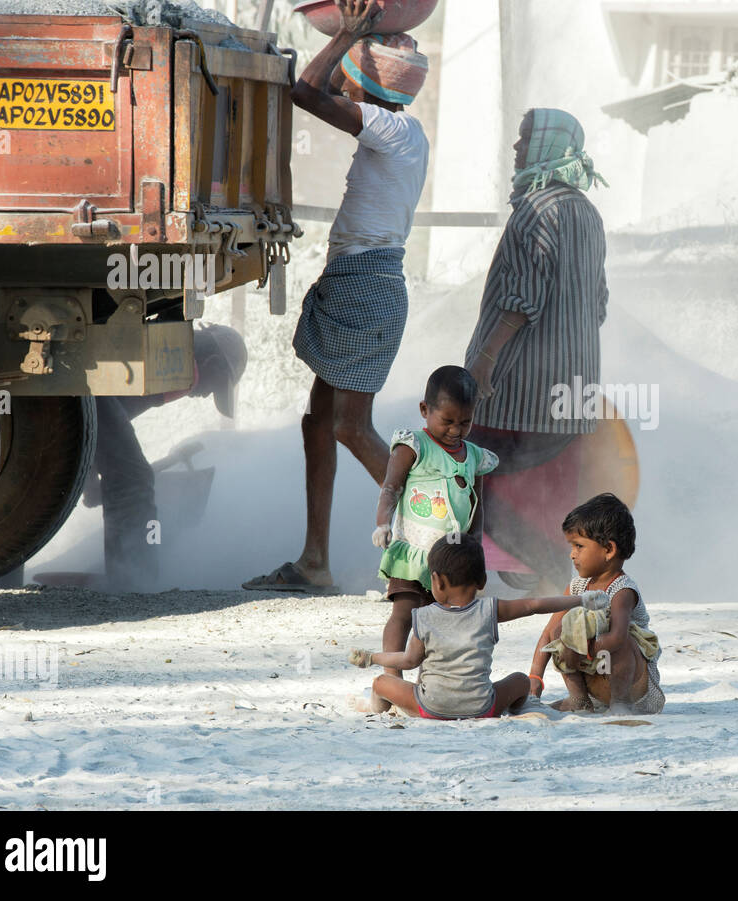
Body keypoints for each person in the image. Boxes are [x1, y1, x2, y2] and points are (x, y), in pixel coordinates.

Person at [245, 0, 429, 594]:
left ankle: (444, 534)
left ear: (370, 80)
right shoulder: (396, 130)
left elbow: (304, 89)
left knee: (350, 426)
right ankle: (315, 563)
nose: (343, 72)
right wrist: (354, 38)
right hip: (358, 282)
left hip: (367, 287)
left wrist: (347, 31)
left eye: (355, 65)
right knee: (317, 424)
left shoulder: (391, 128)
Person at [464, 108, 610, 596]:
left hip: (522, 392)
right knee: (548, 488)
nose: (516, 147)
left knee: (468, 471)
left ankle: (548, 574)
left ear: (547, 147)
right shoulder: (588, 212)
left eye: (525, 138)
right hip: (575, 392)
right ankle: (544, 573)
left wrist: (483, 361)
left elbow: (520, 302)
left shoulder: (534, 209)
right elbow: (599, 303)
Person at [348, 532, 609, 718]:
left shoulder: (424, 616)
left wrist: (372, 657)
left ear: (436, 582)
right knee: (519, 680)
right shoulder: (490, 610)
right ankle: (524, 708)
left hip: (430, 708)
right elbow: (534, 605)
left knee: (381, 682)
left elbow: (408, 660)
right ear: (482, 581)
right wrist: (581, 600)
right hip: (484, 707)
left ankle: (379, 711)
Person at [91, 323, 247, 591]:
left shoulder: (163, 350)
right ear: (209, 363)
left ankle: (129, 575)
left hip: (87, 395)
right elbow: (103, 413)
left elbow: (106, 416)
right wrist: (95, 472)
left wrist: (89, 470)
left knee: (130, 475)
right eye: (215, 385)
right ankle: (134, 583)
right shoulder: (180, 366)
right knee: (134, 479)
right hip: (86, 393)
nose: (207, 394)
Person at [373, 366, 498, 677]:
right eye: (447, 421)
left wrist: (477, 547)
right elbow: (391, 487)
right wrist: (382, 523)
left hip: (451, 559)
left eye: (465, 422)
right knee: (404, 612)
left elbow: (476, 505)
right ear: (424, 410)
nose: (456, 430)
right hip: (413, 551)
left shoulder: (474, 456)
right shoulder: (413, 445)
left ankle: (434, 680)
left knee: (441, 620)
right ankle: (392, 677)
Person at [527, 493, 664, 715]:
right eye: (571, 547)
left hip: (632, 682)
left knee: (621, 638)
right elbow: (547, 634)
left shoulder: (622, 589)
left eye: (579, 546)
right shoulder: (577, 587)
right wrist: (534, 679)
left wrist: (581, 651)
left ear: (609, 550)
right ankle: (580, 699)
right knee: (559, 631)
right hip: (595, 676)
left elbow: (618, 638)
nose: (572, 555)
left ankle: (620, 702)